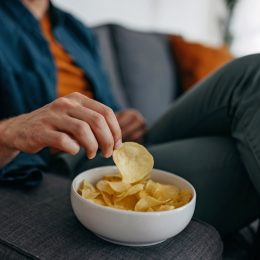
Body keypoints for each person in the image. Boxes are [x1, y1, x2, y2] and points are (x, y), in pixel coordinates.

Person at [0, 0, 259, 237]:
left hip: (116, 145)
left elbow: (107, 104)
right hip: (66, 159)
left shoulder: (74, 29)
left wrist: (122, 119)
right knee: (242, 156)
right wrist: (12, 131)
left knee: (251, 73)